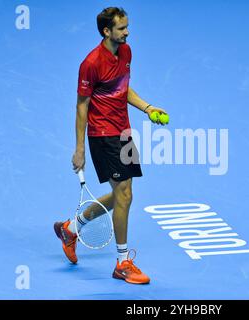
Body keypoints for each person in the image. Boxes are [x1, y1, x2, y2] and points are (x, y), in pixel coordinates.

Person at [54, 7, 167, 285]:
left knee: (122, 195)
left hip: (123, 130)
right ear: (107, 31)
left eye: (127, 26)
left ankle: (72, 227)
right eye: (121, 28)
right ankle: (122, 262)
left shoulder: (126, 52)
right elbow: (82, 106)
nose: (127, 32)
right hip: (102, 134)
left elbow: (122, 86)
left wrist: (148, 108)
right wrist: (79, 149)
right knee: (125, 195)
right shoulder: (91, 63)